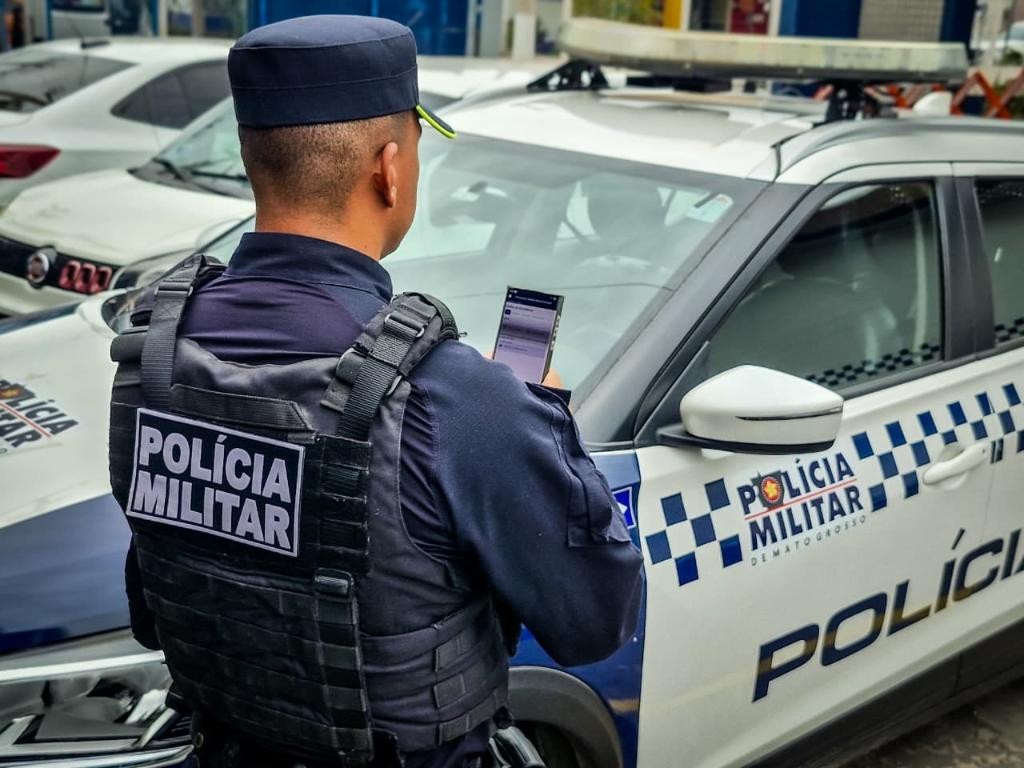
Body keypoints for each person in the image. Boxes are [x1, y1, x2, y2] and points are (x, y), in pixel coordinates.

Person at [107, 15, 644, 768]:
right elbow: (596, 622)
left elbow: (157, 607)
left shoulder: (151, 356)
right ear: (389, 169)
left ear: (252, 157)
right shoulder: (460, 400)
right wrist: (542, 418)